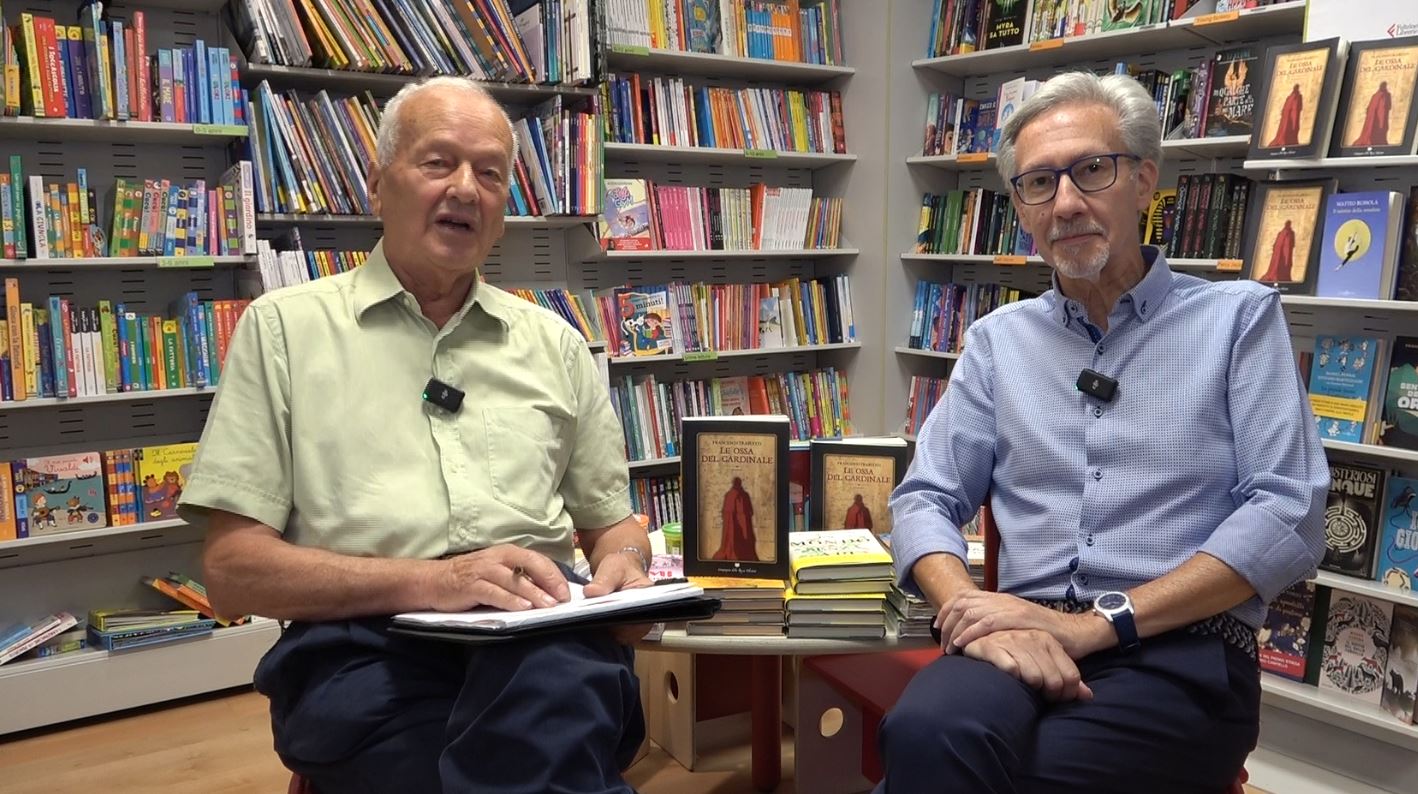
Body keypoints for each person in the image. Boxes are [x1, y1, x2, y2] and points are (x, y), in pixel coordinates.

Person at [177, 77, 653, 794]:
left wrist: (627, 566)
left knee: (555, 697)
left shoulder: (555, 344)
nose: (465, 188)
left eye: (489, 173)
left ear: (502, 210)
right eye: (438, 162)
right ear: (378, 187)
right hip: (366, 646)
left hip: (543, 637)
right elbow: (232, 571)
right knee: (523, 761)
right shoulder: (283, 331)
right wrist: (439, 582)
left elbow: (611, 525)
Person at [881, 72, 1328, 794]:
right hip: (1018, 636)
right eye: (1038, 183)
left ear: (1144, 181)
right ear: (1021, 209)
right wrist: (971, 612)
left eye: (1092, 169)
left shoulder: (1238, 321)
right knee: (921, 731)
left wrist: (1095, 625)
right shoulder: (996, 343)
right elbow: (924, 498)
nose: (1065, 203)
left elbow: (1289, 514)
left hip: (1181, 650)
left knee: (1001, 779)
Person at [712, 476, 758, 560]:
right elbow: (750, 512)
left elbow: (749, 512)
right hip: (738, 525)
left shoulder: (731, 495)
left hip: (736, 525)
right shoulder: (742, 495)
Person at [1352, 80, 1392, 147]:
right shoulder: (1376, 96)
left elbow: (1388, 106)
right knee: (1375, 128)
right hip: (1375, 118)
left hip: (1382, 117)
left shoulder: (1385, 95)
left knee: (1382, 128)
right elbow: (1371, 107)